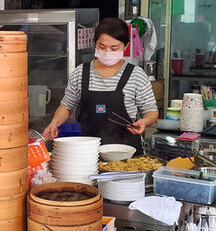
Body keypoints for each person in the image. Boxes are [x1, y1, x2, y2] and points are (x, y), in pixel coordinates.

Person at [43, 18, 158, 154]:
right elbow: (67, 106)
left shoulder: (136, 75)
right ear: (95, 44)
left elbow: (151, 110)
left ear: (126, 47)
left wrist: (144, 121)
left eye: (114, 48)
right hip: (88, 152)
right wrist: (54, 123)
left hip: (126, 152)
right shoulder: (81, 72)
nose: (107, 52)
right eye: (102, 47)